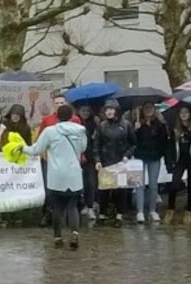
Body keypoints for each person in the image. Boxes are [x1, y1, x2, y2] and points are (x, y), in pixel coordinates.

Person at [20, 105, 87, 248]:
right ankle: (74, 232)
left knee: (57, 207)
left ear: (57, 115)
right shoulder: (80, 131)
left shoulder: (50, 131)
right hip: (74, 174)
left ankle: (58, 237)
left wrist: (21, 148)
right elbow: (83, 148)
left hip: (56, 175)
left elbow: (36, 150)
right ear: (71, 116)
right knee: (72, 206)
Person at [94, 98, 136, 227]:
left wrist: (127, 156)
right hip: (106, 162)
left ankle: (119, 216)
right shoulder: (101, 126)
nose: (109, 112)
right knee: (104, 191)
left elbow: (133, 144)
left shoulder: (126, 125)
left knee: (120, 191)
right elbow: (96, 145)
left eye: (111, 109)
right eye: (107, 110)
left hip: (120, 162)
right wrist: (98, 160)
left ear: (117, 111)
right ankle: (102, 215)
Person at [164, 106, 191, 225]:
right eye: (181, 112)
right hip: (179, 160)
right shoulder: (175, 128)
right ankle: (170, 209)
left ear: (190, 114)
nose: (183, 114)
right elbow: (170, 146)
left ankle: (189, 211)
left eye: (186, 112)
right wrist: (169, 161)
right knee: (174, 184)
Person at [132, 102, 169, 224]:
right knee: (139, 185)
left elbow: (164, 140)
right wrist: (136, 130)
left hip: (154, 157)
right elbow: (133, 141)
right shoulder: (138, 124)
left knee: (153, 185)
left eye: (150, 108)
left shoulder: (159, 124)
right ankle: (140, 211)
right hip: (140, 157)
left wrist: (160, 153)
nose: (148, 110)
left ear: (154, 110)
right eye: (146, 108)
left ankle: (153, 210)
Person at [77, 105, 99, 221]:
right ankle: (80, 205)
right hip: (77, 158)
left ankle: (90, 206)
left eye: (87, 111)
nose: (85, 113)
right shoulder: (75, 123)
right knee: (79, 183)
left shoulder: (94, 123)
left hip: (90, 158)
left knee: (90, 183)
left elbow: (96, 141)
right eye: (83, 110)